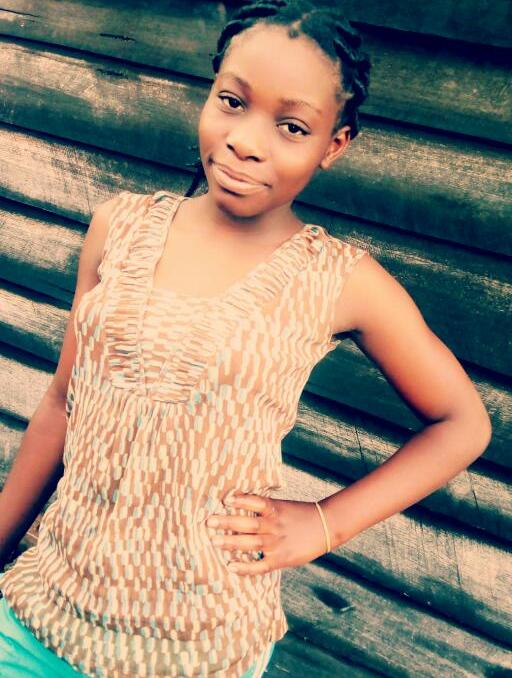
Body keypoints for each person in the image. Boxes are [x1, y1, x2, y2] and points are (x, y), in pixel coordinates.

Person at [0, 0, 492, 676]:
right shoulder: (119, 227)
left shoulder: (341, 280)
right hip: (41, 613)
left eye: (292, 127)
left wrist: (324, 522)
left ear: (333, 146)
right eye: (232, 102)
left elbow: (463, 424)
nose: (247, 141)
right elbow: (64, 402)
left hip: (200, 646)